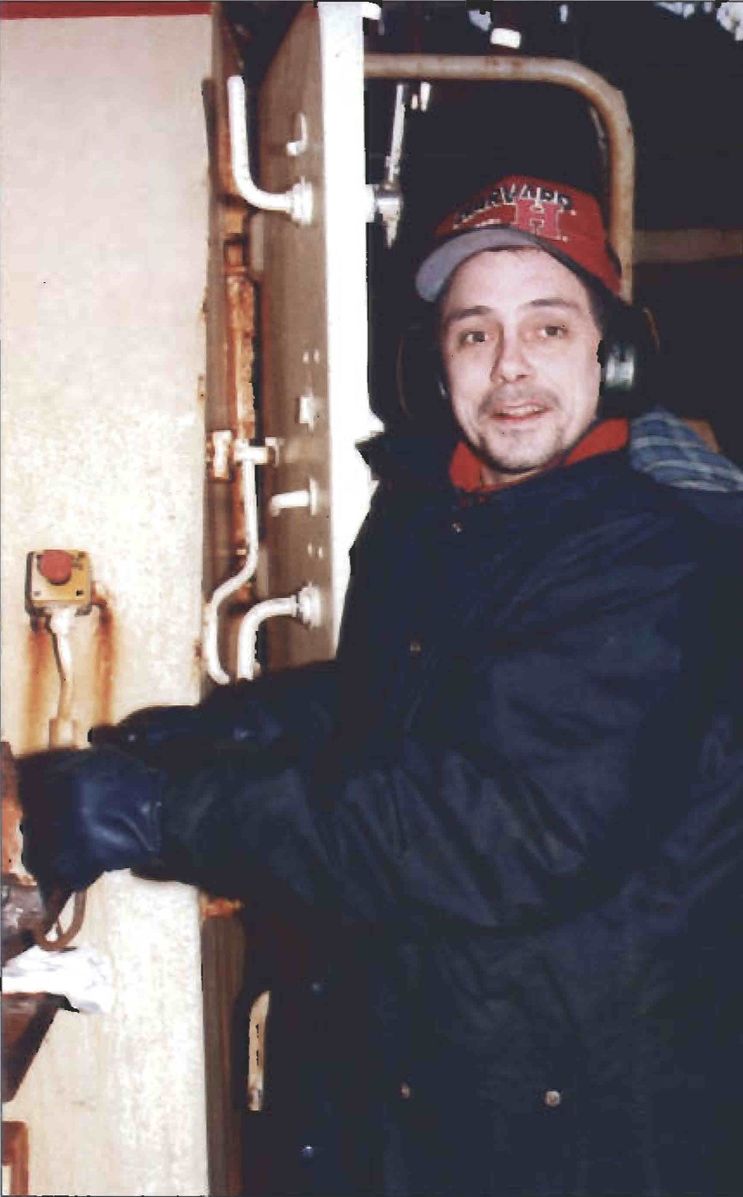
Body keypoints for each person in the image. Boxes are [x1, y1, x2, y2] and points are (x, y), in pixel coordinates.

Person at [19, 174, 743, 1197]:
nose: (509, 368)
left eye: (547, 328)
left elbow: (495, 835)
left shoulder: (652, 562)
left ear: (612, 356)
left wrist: (171, 815)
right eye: (473, 334)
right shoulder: (436, 520)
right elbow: (396, 695)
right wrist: (211, 734)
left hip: (576, 1130)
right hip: (437, 1087)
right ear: (431, 366)